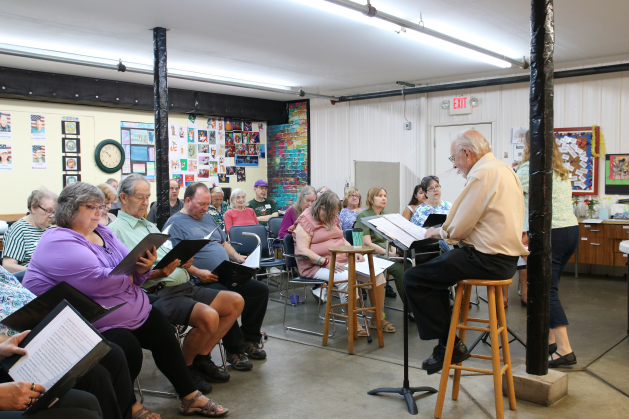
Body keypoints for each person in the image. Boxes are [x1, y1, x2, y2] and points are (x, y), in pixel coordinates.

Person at [22, 182, 228, 417]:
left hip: (123, 307)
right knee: (126, 347)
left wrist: (141, 268)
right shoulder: (58, 240)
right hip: (83, 320)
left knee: (161, 327)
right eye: (92, 207)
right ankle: (128, 404)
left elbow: (130, 265)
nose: (100, 212)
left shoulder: (102, 231)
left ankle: (189, 395)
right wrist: (135, 273)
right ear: (69, 209)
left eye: (101, 206)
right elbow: (100, 282)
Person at [403, 129, 527, 375]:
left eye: (454, 159)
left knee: (414, 277)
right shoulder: (504, 170)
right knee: (436, 274)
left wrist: (437, 232)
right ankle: (448, 343)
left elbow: (459, 226)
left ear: (466, 153)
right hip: (505, 259)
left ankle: (448, 344)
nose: (455, 165)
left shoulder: (482, 174)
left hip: (486, 258)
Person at [110, 174, 243, 387]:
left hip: (185, 285)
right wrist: (160, 273)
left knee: (235, 302)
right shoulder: (116, 231)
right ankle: (186, 368)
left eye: (148, 197)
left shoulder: (149, 226)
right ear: (123, 198)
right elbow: (123, 276)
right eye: (139, 197)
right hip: (160, 293)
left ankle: (201, 357)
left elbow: (168, 256)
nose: (145, 202)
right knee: (208, 316)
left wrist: (185, 261)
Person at [1, 266, 158, 419]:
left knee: (112, 352)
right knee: (93, 376)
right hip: (17, 352)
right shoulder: (55, 244)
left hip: (27, 339)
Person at [164, 183, 270, 371]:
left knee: (259, 290)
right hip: (200, 281)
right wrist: (199, 273)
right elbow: (175, 260)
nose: (206, 209)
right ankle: (234, 350)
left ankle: (250, 339)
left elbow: (222, 243)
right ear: (187, 201)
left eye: (207, 204)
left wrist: (237, 257)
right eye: (201, 204)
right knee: (225, 297)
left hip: (225, 272)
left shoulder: (207, 219)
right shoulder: (175, 224)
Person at [289, 191, 392, 335]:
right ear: (320, 209)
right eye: (331, 214)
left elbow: (342, 239)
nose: (333, 218)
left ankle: (377, 319)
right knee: (346, 278)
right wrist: (325, 262)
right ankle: (352, 321)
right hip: (316, 266)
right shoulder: (305, 221)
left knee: (377, 275)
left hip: (342, 261)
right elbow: (303, 251)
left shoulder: (332, 218)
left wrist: (354, 252)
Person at [516, 131, 579, 368]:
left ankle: (565, 349)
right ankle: (550, 341)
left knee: (545, 291)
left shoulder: (527, 170)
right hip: (570, 231)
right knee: (548, 287)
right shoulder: (561, 170)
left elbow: (514, 202)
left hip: (549, 233)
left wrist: (522, 236)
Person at [354, 186, 405, 307]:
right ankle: (411, 309)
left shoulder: (387, 215)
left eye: (385, 196)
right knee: (400, 271)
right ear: (371, 199)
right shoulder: (363, 216)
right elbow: (367, 243)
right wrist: (390, 254)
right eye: (379, 196)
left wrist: (395, 253)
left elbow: (392, 239)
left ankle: (418, 306)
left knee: (409, 266)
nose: (383, 198)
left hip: (388, 252)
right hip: (373, 253)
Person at [2, 189, 57, 274]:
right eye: (48, 211)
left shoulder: (51, 228)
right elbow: (8, 266)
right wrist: (40, 273)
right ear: (33, 208)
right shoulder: (18, 230)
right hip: (32, 279)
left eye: (54, 212)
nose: (52, 216)